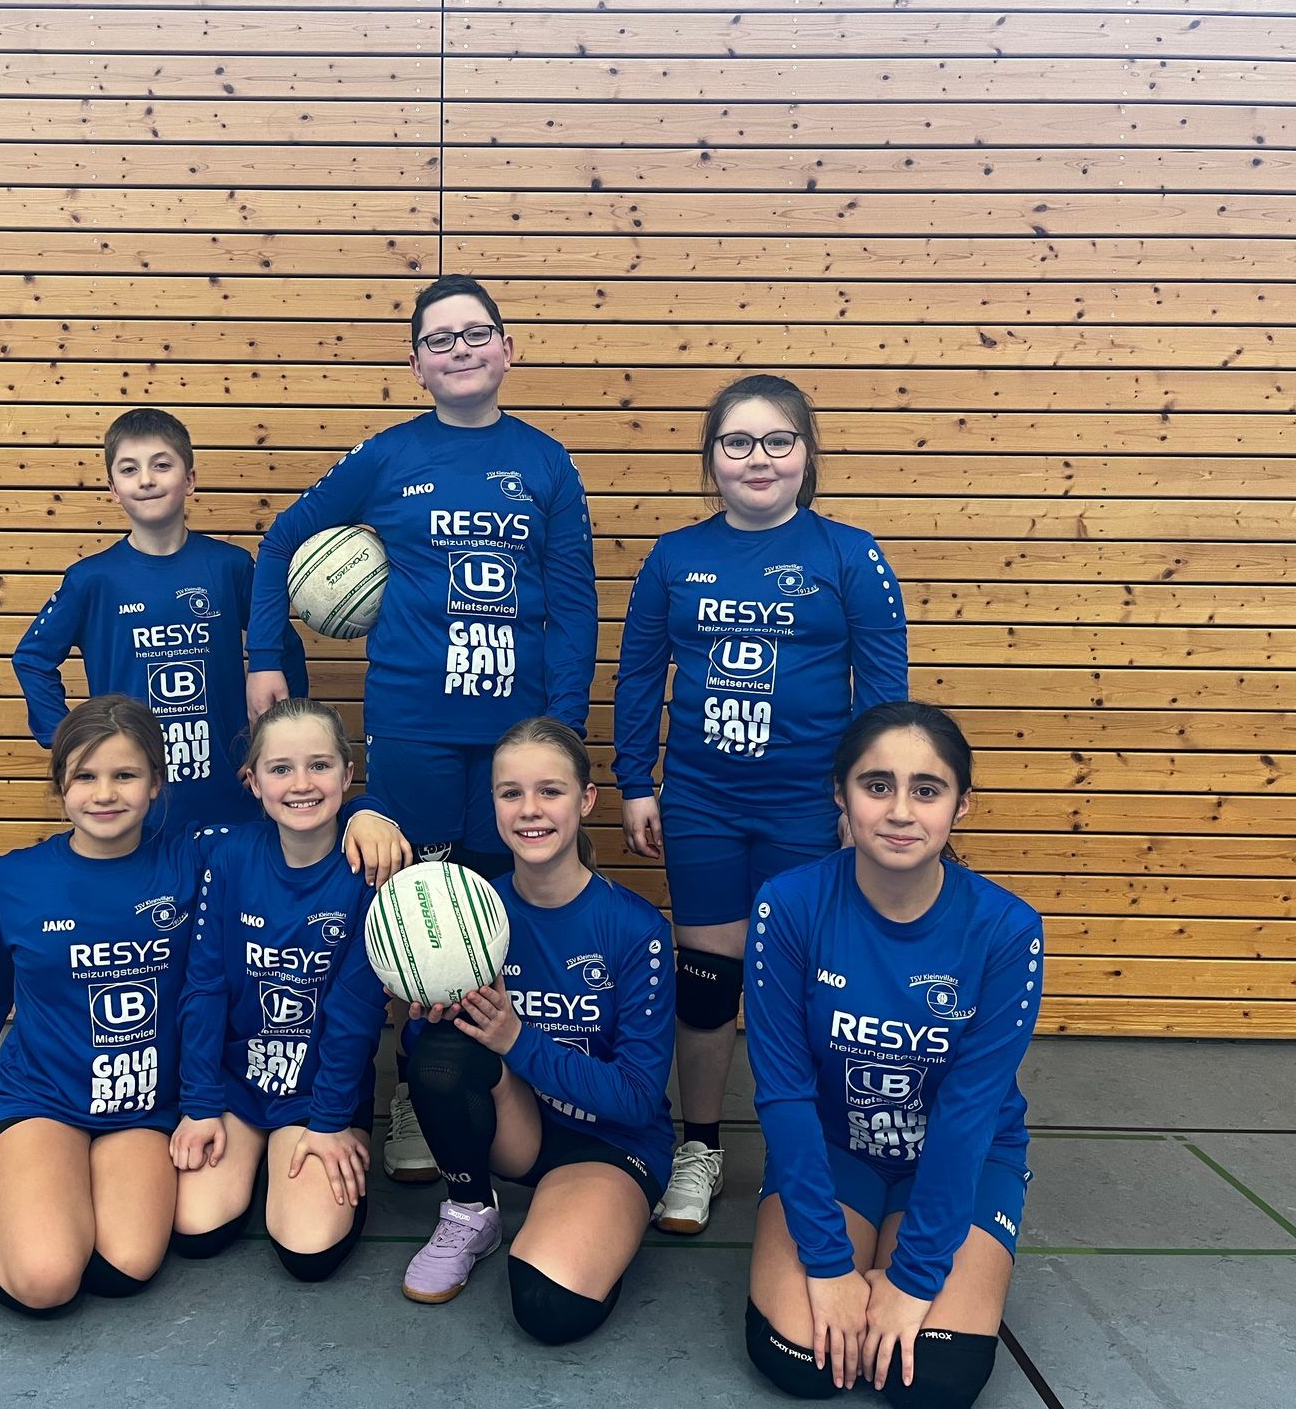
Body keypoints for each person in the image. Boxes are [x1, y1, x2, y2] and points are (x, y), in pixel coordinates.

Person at [245, 273, 599, 1182]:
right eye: (440, 340)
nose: (461, 350)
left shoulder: (547, 463)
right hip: (414, 729)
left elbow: (573, 605)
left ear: (507, 348)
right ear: (417, 365)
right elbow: (282, 540)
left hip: (515, 741)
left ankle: (504, 1078)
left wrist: (560, 730)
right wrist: (265, 657)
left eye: (476, 333)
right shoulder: (387, 456)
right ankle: (415, 1087)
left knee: (503, 911)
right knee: (415, 913)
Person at [613, 373, 908, 1234]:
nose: (758, 458)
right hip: (702, 803)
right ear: (712, 458)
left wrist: (866, 801)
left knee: (799, 989)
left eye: (778, 440)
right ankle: (700, 1148)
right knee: (707, 988)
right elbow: (638, 676)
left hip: (807, 809)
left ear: (806, 454)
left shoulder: (850, 555)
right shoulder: (674, 557)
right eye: (737, 442)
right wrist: (635, 781)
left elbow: (883, 698)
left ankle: (799, 1151)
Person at [743, 702, 1042, 1407]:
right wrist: (828, 1265)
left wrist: (912, 1279)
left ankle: (900, 1250)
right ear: (841, 794)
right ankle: (855, 1243)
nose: (901, 811)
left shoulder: (1007, 929)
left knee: (933, 1381)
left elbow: (969, 1114)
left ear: (961, 805)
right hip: (833, 1149)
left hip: (960, 1157)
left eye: (926, 790)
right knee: (803, 1363)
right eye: (877, 786)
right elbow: (783, 1094)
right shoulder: (788, 906)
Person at [0, 696, 201, 1317]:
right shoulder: (16, 878)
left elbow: (289, 827)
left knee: (123, 1269)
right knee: (45, 1282)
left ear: (156, 782)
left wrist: (366, 814)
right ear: (61, 784)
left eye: (125, 775)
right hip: (42, 1096)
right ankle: (1, 1164)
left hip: (143, 1107)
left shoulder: (191, 862)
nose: (104, 793)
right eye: (85, 776)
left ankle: (25, 1188)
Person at [397, 717, 675, 1346]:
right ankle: (471, 1210)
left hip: (609, 1141)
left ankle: (600, 1212)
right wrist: (428, 1017)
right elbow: (434, 1062)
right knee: (439, 1051)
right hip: (518, 1129)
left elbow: (637, 1099)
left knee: (550, 1309)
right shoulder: (469, 915)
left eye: (550, 791)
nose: (530, 810)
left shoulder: (636, 929)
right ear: (492, 803)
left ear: (586, 800)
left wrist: (517, 1039)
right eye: (510, 793)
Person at [169, 698, 411, 1282]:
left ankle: (288, 1159)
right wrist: (200, 1104)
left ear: (347, 775)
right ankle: (255, 1157)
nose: (301, 784)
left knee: (308, 1250)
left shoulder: (372, 871)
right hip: (237, 1084)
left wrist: (330, 1121)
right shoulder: (229, 856)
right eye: (280, 769)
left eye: (319, 765)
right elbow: (204, 988)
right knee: (195, 1228)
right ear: (253, 782)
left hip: (318, 1092)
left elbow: (355, 1013)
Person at [12, 406, 307, 837]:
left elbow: (283, 647)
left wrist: (278, 746)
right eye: (129, 469)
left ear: (189, 479)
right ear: (113, 488)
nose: (146, 479)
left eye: (162, 465)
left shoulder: (229, 566)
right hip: (133, 802)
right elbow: (32, 659)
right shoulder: (91, 580)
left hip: (228, 791)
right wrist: (68, 742)